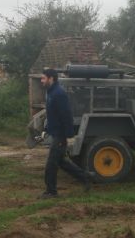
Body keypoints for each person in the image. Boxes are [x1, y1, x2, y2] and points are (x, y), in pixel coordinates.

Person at [39, 68, 94, 199]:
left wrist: (69, 135)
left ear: (51, 78)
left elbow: (66, 115)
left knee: (51, 164)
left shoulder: (59, 94)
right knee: (61, 162)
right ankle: (86, 177)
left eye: (43, 78)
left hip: (60, 134)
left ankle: (51, 192)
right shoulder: (50, 92)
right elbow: (53, 114)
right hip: (55, 132)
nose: (41, 80)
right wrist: (46, 129)